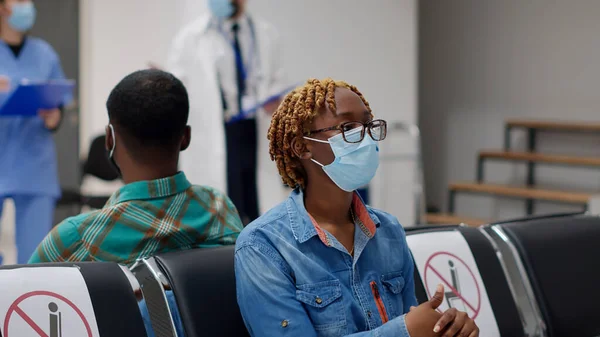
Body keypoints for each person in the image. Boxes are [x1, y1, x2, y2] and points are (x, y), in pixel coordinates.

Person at [235, 78, 479, 337]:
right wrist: (404, 331)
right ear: (302, 147)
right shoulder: (263, 245)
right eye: (348, 127)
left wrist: (446, 328)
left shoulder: (389, 230)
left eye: (367, 124)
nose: (364, 138)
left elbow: (415, 321)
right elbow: (407, 328)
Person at [29, 69, 244, 266]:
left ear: (109, 140)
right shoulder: (219, 210)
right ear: (185, 138)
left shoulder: (76, 237)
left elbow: (20, 295)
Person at [166, 0, 289, 224]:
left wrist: (276, 99)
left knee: (257, 204)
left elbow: (276, 80)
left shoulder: (266, 34)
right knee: (225, 209)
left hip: (254, 128)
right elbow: (178, 87)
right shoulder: (190, 38)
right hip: (216, 131)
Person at [0, 0, 72, 264]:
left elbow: (59, 103)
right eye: (19, 1)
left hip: (34, 163)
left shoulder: (45, 54)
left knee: (36, 256)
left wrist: (55, 116)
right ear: (2, 7)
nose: (26, 6)